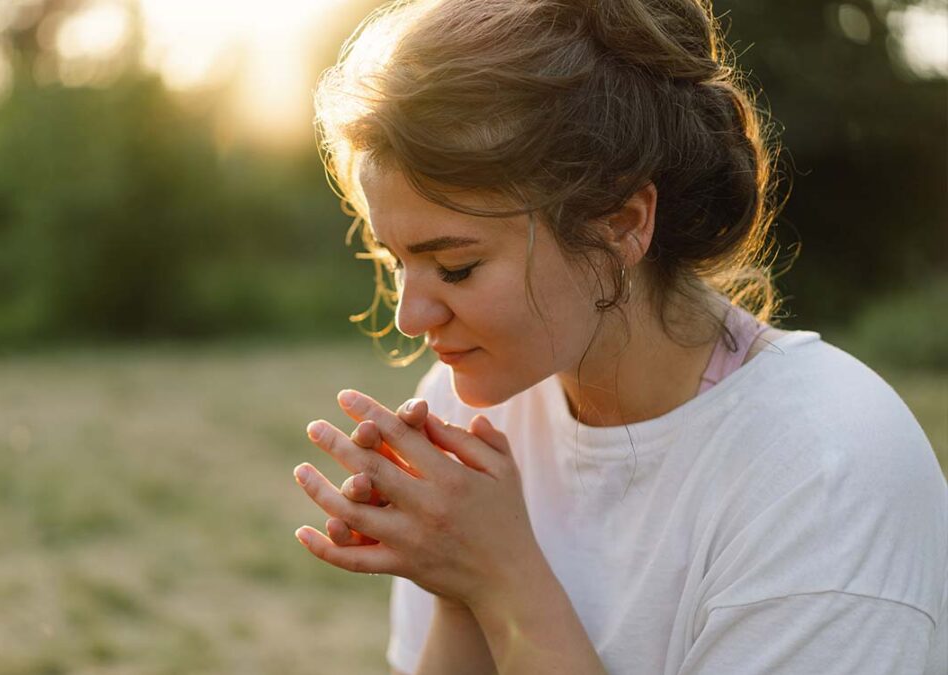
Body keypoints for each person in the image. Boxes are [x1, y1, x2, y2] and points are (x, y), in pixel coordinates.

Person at [292, 0, 948, 673]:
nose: (409, 316)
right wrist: (457, 579)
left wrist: (501, 575)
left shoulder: (826, 474)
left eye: (456, 266)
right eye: (398, 259)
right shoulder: (469, 416)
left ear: (622, 224)